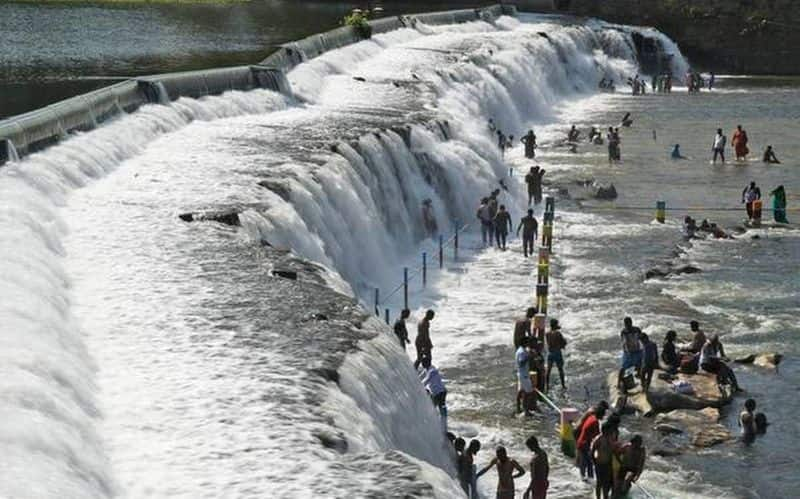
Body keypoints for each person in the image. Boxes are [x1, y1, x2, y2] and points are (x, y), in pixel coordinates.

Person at [576, 403, 607, 481]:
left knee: (588, 462)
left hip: (582, 442)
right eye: (603, 414)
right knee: (586, 462)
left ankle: (588, 479)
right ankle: (584, 479)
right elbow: (597, 435)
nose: (604, 416)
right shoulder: (595, 422)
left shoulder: (591, 417)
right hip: (584, 444)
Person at [419, 356, 448, 430]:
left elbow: (426, 380)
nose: (422, 365)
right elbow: (420, 377)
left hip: (440, 392)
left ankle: (444, 426)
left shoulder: (432, 371)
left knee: (441, 407)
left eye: (423, 363)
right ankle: (435, 424)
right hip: (435, 393)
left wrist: (418, 386)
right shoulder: (427, 369)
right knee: (432, 408)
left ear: (427, 363)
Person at [591, 422, 617, 499]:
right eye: (610, 430)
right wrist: (594, 461)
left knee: (606, 483)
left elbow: (614, 450)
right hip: (599, 464)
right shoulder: (599, 439)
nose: (611, 431)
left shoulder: (611, 438)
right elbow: (592, 451)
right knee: (599, 483)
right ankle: (598, 497)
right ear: (605, 430)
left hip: (608, 464)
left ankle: (605, 497)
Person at [545, 318, 567, 391]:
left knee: (548, 370)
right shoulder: (558, 333)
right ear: (555, 325)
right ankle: (563, 385)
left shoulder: (547, 333)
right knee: (560, 370)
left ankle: (547, 385)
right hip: (557, 353)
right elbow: (563, 343)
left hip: (550, 353)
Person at [516, 337, 536, 416]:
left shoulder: (521, 350)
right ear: (525, 343)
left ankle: (519, 408)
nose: (529, 344)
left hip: (521, 374)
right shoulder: (521, 352)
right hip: (524, 375)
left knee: (521, 391)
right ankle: (526, 410)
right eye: (527, 342)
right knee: (528, 393)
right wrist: (529, 356)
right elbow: (521, 363)